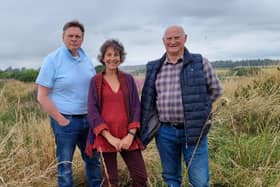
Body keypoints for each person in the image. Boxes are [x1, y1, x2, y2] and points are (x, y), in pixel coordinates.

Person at [140, 25, 222, 187]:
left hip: (193, 131)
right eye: (169, 38)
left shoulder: (199, 63)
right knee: (171, 178)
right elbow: (148, 99)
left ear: (185, 38)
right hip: (164, 132)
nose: (173, 41)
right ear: (163, 42)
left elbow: (216, 90)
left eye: (177, 37)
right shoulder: (154, 67)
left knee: (199, 180)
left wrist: (199, 111)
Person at [36, 20, 102, 187]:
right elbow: (42, 96)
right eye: (70, 36)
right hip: (66, 121)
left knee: (94, 161)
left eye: (77, 36)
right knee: (65, 165)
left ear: (82, 38)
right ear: (63, 37)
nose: (74, 39)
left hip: (89, 120)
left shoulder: (85, 58)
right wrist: (61, 120)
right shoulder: (52, 60)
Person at [85, 39, 148, 187]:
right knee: (111, 180)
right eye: (109, 54)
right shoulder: (95, 81)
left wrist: (131, 135)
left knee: (140, 177)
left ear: (121, 57)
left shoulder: (128, 79)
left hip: (128, 136)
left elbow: (135, 107)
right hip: (105, 137)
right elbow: (92, 111)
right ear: (103, 58)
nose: (112, 58)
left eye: (116, 54)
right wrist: (109, 137)